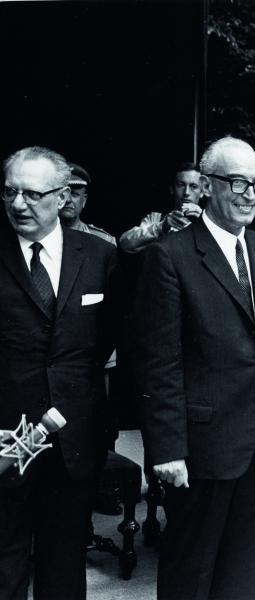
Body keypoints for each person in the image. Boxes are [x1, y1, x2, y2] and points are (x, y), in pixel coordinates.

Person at [133, 136, 255, 600]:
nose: (250, 194)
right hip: (200, 450)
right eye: (236, 182)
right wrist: (167, 449)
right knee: (191, 572)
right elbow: (159, 363)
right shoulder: (171, 255)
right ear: (205, 186)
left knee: (242, 573)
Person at [0, 146, 117, 600]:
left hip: (73, 439)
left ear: (63, 196)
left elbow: (106, 339)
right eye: (10, 192)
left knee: (65, 566)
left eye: (32, 194)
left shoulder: (100, 257)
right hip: (6, 442)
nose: (18, 204)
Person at [118, 162, 204, 253]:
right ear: (172, 189)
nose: (186, 192)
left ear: (202, 192)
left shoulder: (210, 221)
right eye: (181, 185)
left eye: (193, 186)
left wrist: (203, 224)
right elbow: (125, 243)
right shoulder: (156, 218)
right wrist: (161, 227)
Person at [58, 162, 116, 245]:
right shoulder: (39, 236)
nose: (68, 200)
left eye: (74, 194)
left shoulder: (103, 241)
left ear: (84, 200)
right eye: (63, 194)